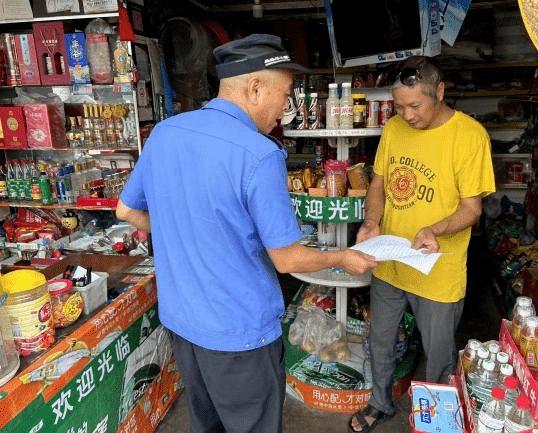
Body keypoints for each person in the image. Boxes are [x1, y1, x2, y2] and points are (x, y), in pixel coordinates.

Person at [115, 33, 378, 433]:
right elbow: (287, 259)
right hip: (239, 334)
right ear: (255, 88)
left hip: (183, 323)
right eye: (285, 95)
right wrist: (342, 257)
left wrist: (183, 229)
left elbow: (127, 209)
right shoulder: (258, 154)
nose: (284, 110)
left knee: (207, 425)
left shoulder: (166, 133)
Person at [348, 56, 495, 433]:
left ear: (440, 92)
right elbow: (379, 184)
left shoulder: (469, 135)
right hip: (391, 261)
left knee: (439, 355)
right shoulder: (394, 128)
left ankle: (438, 420)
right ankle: (380, 403)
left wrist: (435, 229)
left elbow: (471, 209)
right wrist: (370, 221)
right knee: (380, 341)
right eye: (399, 105)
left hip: (437, 269)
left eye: (415, 105)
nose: (406, 115)